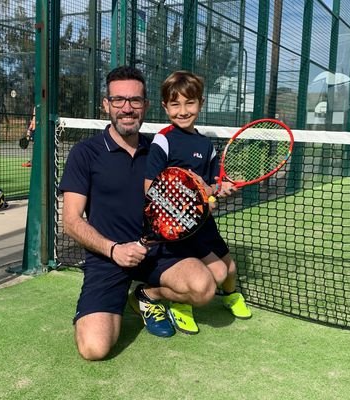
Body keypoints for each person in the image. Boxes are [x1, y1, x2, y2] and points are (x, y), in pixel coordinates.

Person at [59, 66, 217, 361]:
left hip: (158, 253)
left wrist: (207, 198)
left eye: (135, 101)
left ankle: (147, 296)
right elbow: (70, 221)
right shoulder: (85, 153)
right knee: (94, 349)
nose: (127, 108)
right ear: (106, 104)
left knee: (204, 288)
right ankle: (113, 299)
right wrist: (114, 249)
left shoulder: (161, 149)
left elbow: (190, 195)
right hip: (108, 258)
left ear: (145, 106)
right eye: (119, 100)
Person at [144, 70, 252, 335]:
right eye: (175, 104)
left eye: (189, 103)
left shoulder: (206, 145)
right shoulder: (163, 140)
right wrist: (195, 198)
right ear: (165, 106)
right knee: (214, 273)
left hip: (205, 224)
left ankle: (229, 297)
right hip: (179, 228)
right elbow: (149, 188)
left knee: (230, 270)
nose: (182, 111)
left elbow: (212, 185)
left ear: (201, 103)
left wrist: (223, 188)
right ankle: (180, 306)